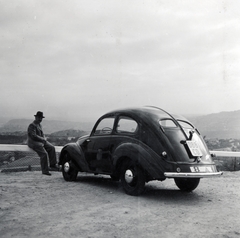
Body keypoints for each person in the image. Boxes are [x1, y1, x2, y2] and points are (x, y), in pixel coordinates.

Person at [27, 111, 58, 176]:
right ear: (35, 117)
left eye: (41, 118)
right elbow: (33, 136)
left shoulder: (39, 125)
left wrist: (44, 139)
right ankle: (45, 170)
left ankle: (53, 165)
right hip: (33, 142)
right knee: (44, 154)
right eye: (39, 117)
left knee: (52, 148)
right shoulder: (31, 125)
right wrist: (42, 140)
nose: (40, 119)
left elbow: (42, 134)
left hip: (40, 141)